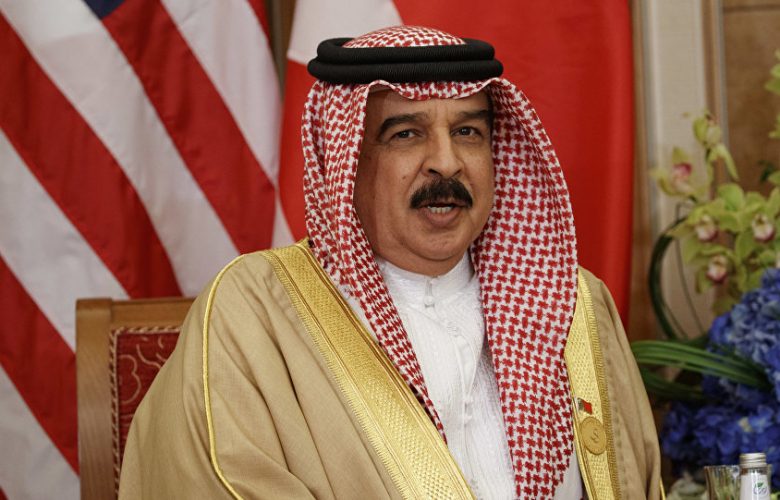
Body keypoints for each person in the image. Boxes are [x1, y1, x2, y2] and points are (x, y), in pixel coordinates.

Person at [119, 26, 662, 499]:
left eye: (468, 132)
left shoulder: (572, 306)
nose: (446, 162)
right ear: (345, 162)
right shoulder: (254, 313)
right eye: (406, 134)